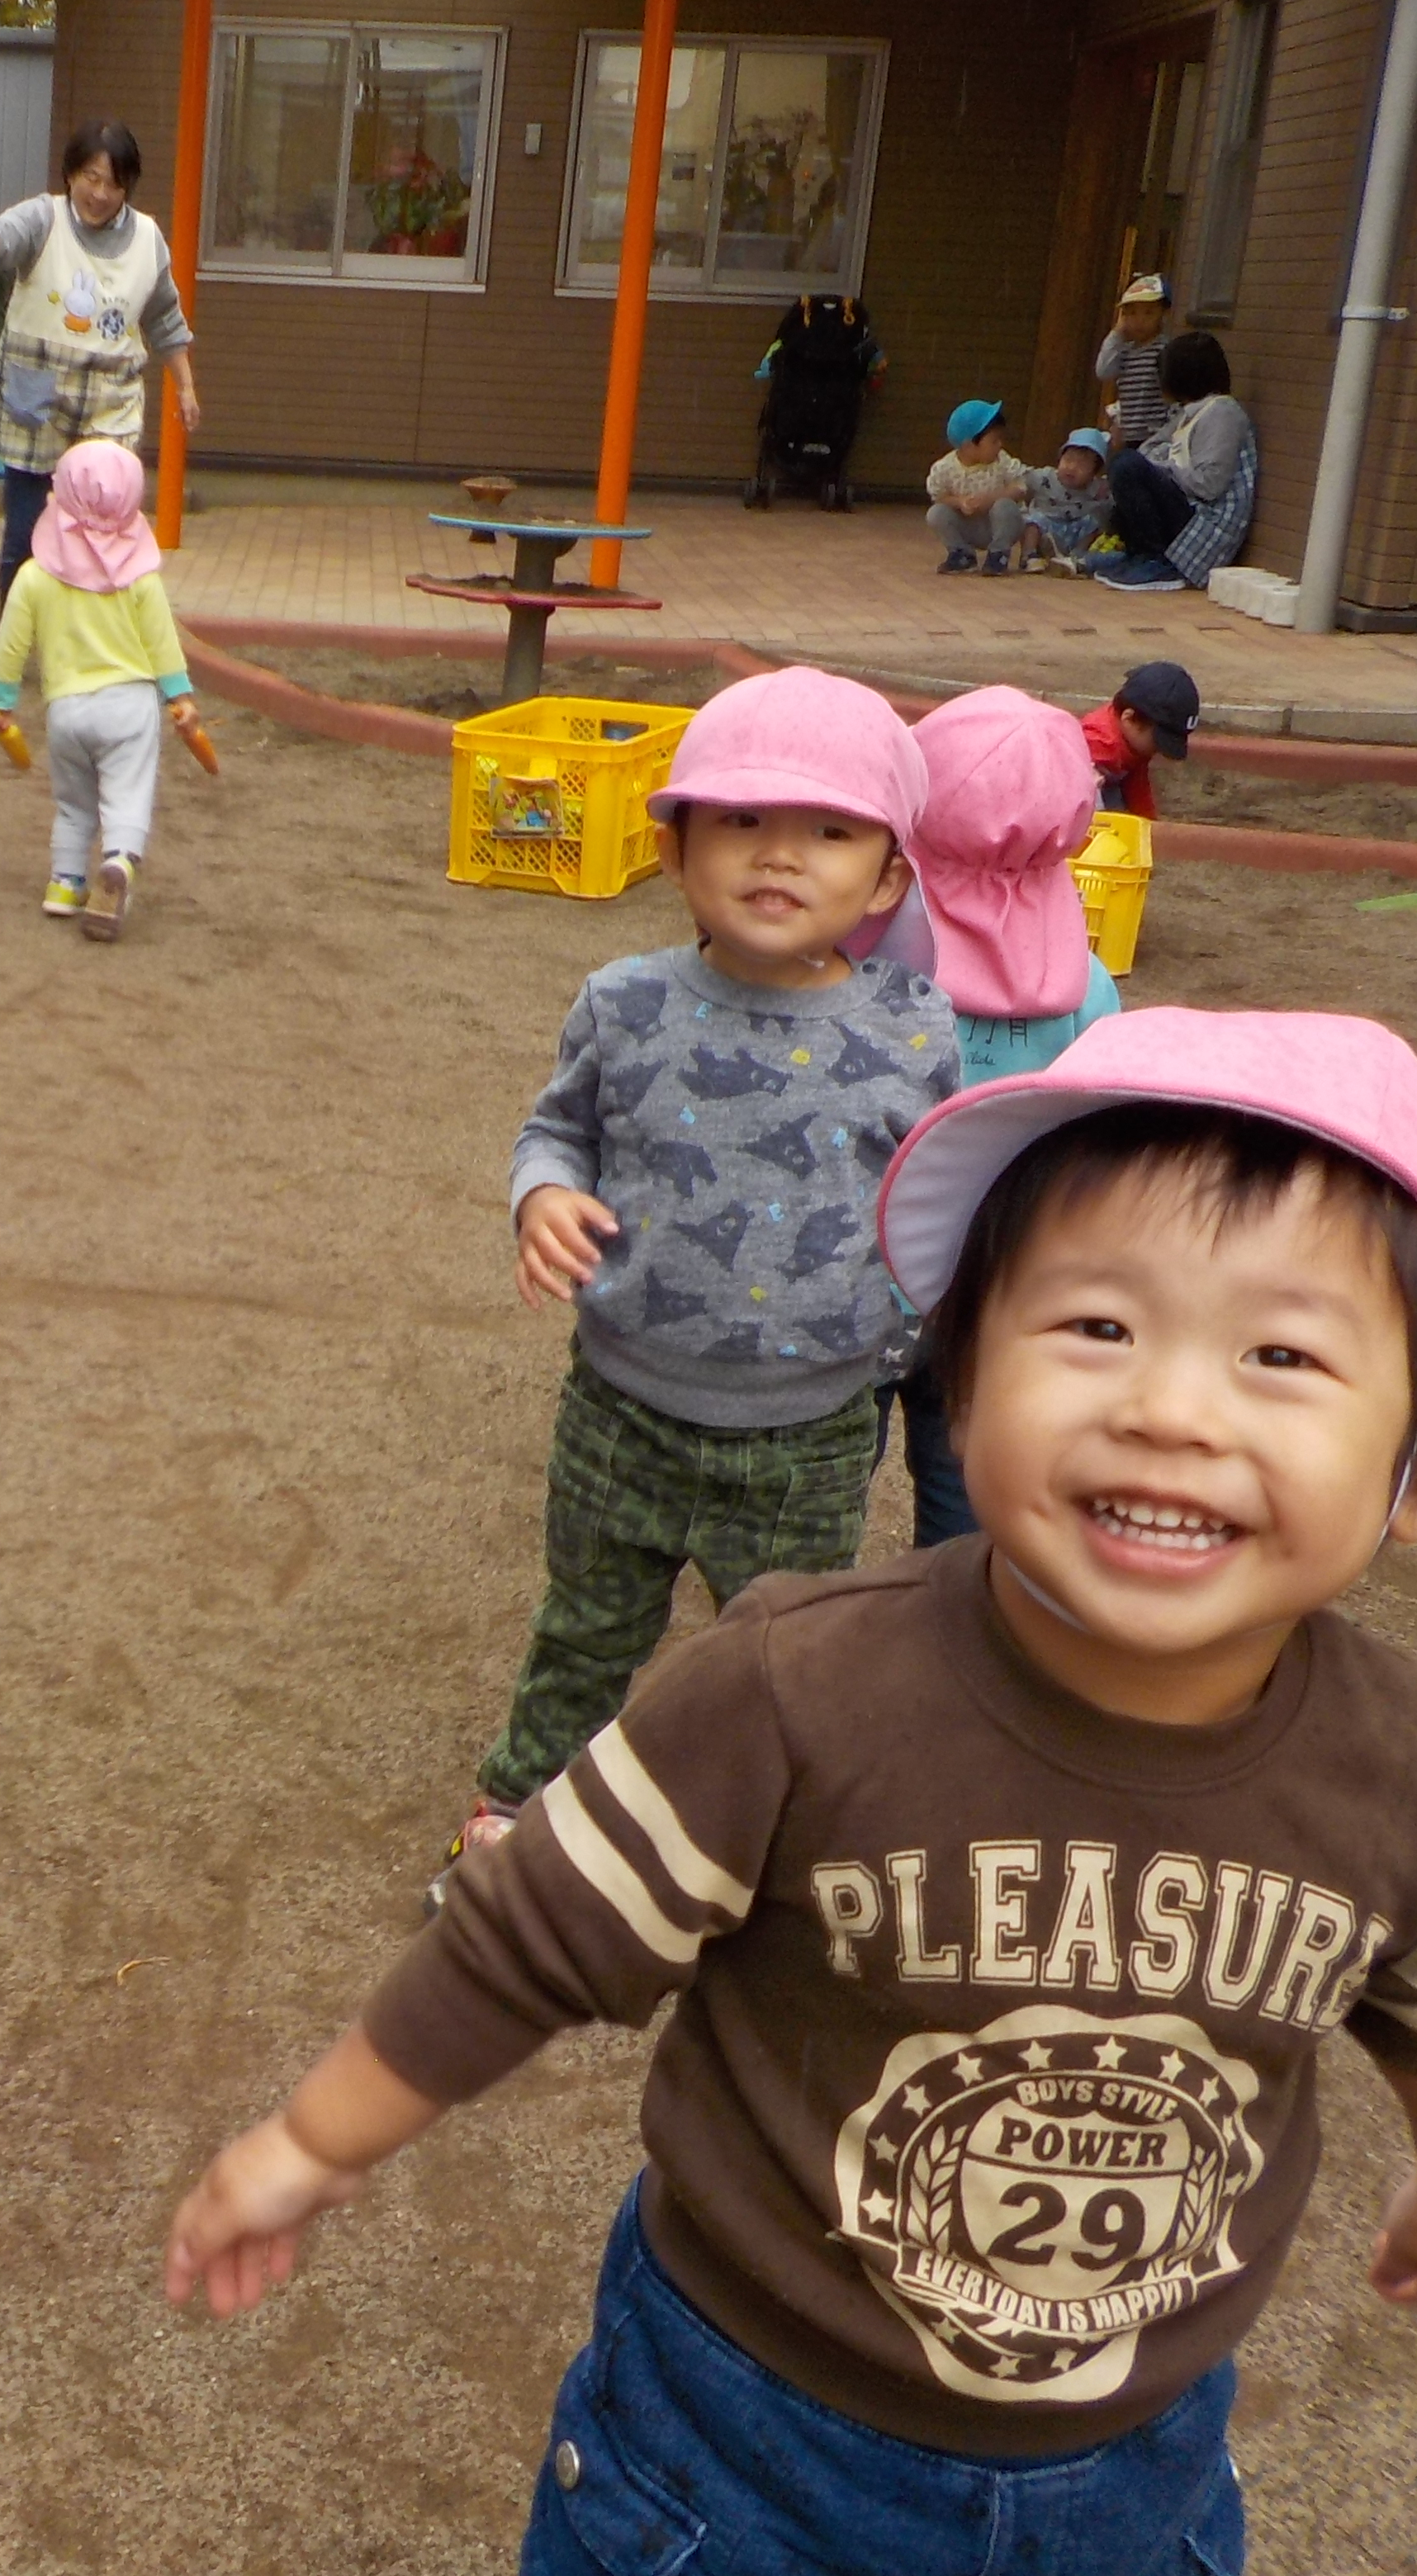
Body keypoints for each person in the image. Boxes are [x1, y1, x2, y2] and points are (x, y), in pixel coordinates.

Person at [168, 1006, 1417, 2576]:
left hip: (1134, 2458)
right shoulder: (795, 1694)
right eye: (1095, 1327)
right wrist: (313, 2142)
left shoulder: (1416, 1776)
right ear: (958, 1376)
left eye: (1283, 1356)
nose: (1172, 1408)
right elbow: (529, 1935)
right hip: (739, 2434)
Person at [443, 666, 958, 1892]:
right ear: (674, 846)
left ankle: (787, 1844)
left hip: (813, 1429)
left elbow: (942, 1197)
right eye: (739, 821)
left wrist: (926, 1333)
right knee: (587, 1625)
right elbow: (555, 1132)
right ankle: (522, 1805)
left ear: (888, 875)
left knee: (793, 1660)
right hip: (619, 1404)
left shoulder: (914, 1025)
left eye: (829, 831)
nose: (779, 855)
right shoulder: (624, 1004)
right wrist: (542, 1194)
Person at [887, 684, 1121, 1543]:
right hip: (992, 1282)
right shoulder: (1086, 987)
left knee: (829, 1474)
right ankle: (951, 1630)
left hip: (861, 1278)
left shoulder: (859, 962)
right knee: (959, 1487)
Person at [0, 120, 202, 608]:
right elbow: (1, 243)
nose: (101, 193)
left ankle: (89, 638)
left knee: (103, 533)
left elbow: (165, 319)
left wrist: (187, 388)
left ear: (128, 186)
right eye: (91, 177)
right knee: (25, 533)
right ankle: (15, 636)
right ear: (70, 175)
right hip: (38, 396)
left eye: (114, 183)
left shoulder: (148, 239)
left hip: (108, 404)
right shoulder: (43, 218)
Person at [0, 438, 198, 943]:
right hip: (131, 707)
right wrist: (180, 697)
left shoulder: (36, 576)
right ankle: (119, 861)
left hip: (68, 711)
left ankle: (64, 884)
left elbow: (11, 642)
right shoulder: (140, 578)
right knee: (127, 793)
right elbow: (162, 642)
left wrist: (0, 700)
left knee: (74, 802)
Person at [1100, 330, 1256, 593]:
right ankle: (1139, 555)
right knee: (1123, 465)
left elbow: (1209, 484)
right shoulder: (1190, 412)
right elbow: (1152, 448)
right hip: (1187, 504)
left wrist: (1166, 469)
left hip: (1203, 523)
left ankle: (1158, 559)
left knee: (1128, 466)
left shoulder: (1222, 413)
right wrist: (1161, 465)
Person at [1088, 659, 1201, 817]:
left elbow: (1139, 795)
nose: (1158, 750)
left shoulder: (1131, 743)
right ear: (1129, 718)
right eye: (1157, 741)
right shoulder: (1096, 748)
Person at [925, 399, 1026, 574]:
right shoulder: (945, 468)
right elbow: (939, 496)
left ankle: (999, 554)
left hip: (998, 525)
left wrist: (992, 499)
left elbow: (1020, 487)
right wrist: (959, 502)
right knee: (936, 513)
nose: (1000, 445)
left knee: (1005, 506)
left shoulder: (1002, 461)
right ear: (969, 445)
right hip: (969, 526)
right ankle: (961, 553)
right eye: (994, 441)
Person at [1013, 425, 1115, 572]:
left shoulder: (1097, 488)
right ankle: (1029, 556)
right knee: (1034, 521)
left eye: (1082, 464)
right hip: (1049, 527)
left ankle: (1077, 557)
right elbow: (1022, 483)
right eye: (1068, 460)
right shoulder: (1044, 477)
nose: (1072, 467)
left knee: (1094, 522)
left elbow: (1111, 502)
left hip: (1074, 533)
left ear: (1094, 473)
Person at [1097, 272, 1174, 449]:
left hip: (1155, 435)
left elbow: (1174, 396)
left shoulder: (1165, 350)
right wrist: (1117, 333)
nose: (1139, 321)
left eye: (1149, 313)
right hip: (1127, 434)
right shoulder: (1125, 351)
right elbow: (1103, 371)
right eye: (1131, 313)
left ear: (1164, 314)